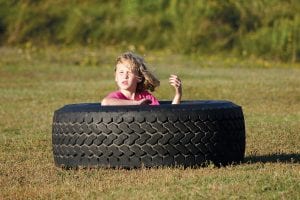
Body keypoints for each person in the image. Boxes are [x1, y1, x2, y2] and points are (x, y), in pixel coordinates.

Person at [101, 52, 182, 106]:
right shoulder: (116, 96)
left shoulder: (146, 97)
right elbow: (105, 102)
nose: (125, 76)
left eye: (129, 72)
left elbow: (165, 116)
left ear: (139, 78)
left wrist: (178, 94)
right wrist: (136, 103)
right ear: (116, 77)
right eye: (121, 72)